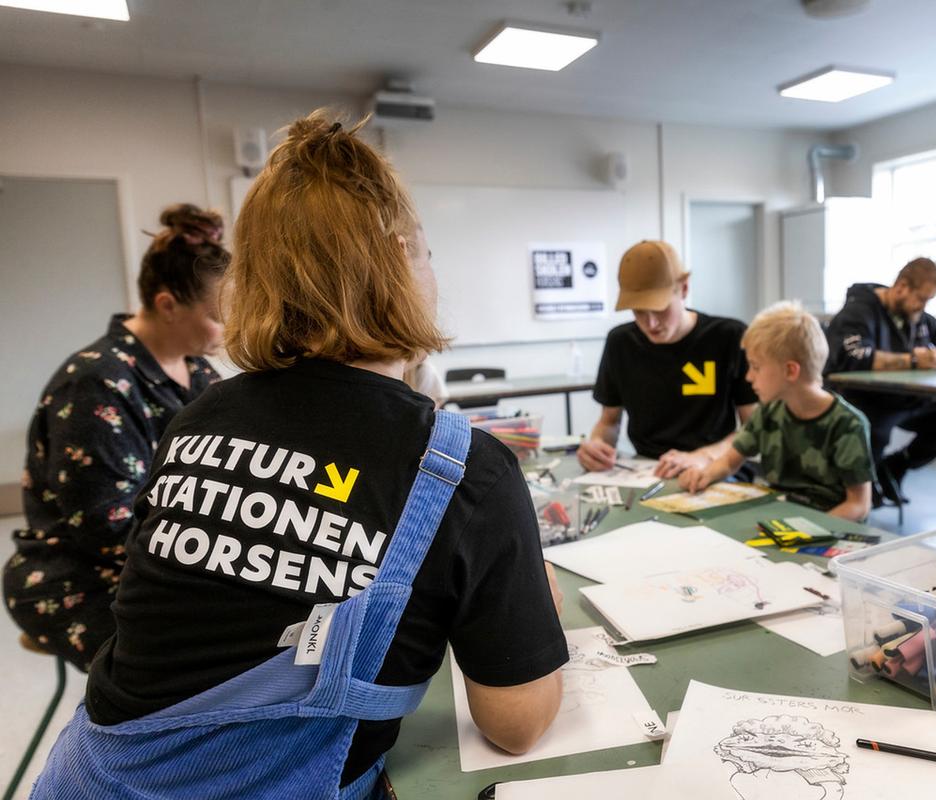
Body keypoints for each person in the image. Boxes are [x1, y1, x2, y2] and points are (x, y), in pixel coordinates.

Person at [33, 112, 565, 798]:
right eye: (426, 252)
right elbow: (516, 726)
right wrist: (533, 612)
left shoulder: (198, 417)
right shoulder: (466, 468)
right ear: (403, 259)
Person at [3, 204, 227, 672]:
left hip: (170, 560)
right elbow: (105, 528)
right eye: (217, 315)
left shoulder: (199, 373)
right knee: (196, 664)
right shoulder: (95, 383)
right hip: (79, 575)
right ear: (167, 305)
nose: (228, 329)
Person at [578, 240, 757, 478]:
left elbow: (754, 429)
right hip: (645, 471)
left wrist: (703, 456)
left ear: (683, 289)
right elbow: (609, 422)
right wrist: (597, 446)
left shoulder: (728, 337)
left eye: (660, 308)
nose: (650, 324)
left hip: (716, 467)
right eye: (639, 311)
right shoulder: (620, 342)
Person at [679, 301, 873, 521]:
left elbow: (858, 505)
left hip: (828, 529)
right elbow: (729, 462)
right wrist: (703, 475)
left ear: (790, 370)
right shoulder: (768, 412)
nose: (749, 377)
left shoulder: (848, 425)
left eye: (756, 367)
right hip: (779, 521)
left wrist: (808, 531)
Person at [823, 257, 936, 504]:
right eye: (921, 298)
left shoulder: (918, 318)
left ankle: (895, 466)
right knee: (872, 431)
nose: (922, 307)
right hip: (869, 401)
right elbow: (853, 356)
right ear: (902, 286)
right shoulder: (858, 312)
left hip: (910, 399)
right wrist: (912, 360)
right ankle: (863, 494)